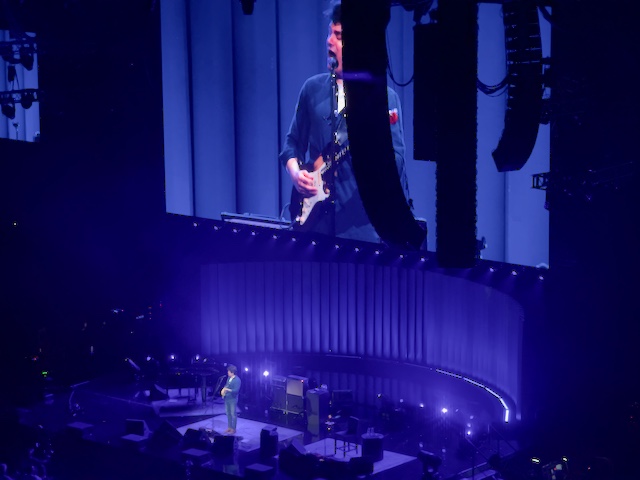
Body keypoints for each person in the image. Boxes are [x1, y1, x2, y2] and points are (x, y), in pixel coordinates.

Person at [279, 2, 410, 243]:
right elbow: (292, 144)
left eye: (338, 36)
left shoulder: (384, 98)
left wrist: (371, 148)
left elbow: (398, 164)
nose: (329, 41)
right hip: (315, 227)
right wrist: (297, 175)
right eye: (330, 33)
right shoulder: (311, 89)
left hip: (361, 231)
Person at [221, 364, 241, 434]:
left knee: (233, 414)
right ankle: (229, 427)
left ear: (232, 372)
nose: (227, 372)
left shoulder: (237, 380)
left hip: (233, 399)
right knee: (228, 413)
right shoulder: (229, 378)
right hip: (227, 398)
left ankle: (233, 429)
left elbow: (236, 390)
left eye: (229, 371)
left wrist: (228, 390)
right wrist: (223, 391)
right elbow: (226, 386)